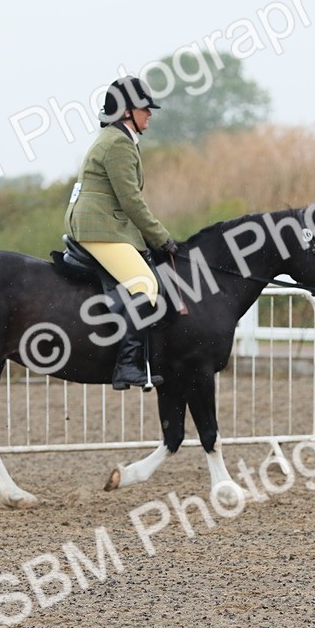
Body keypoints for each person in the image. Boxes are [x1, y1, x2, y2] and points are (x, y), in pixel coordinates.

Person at [65, 75, 179, 391]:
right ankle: (127, 365)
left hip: (105, 224)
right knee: (145, 285)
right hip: (99, 228)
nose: (150, 114)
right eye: (145, 108)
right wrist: (161, 237)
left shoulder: (116, 139)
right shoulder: (118, 143)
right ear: (127, 111)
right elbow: (131, 200)